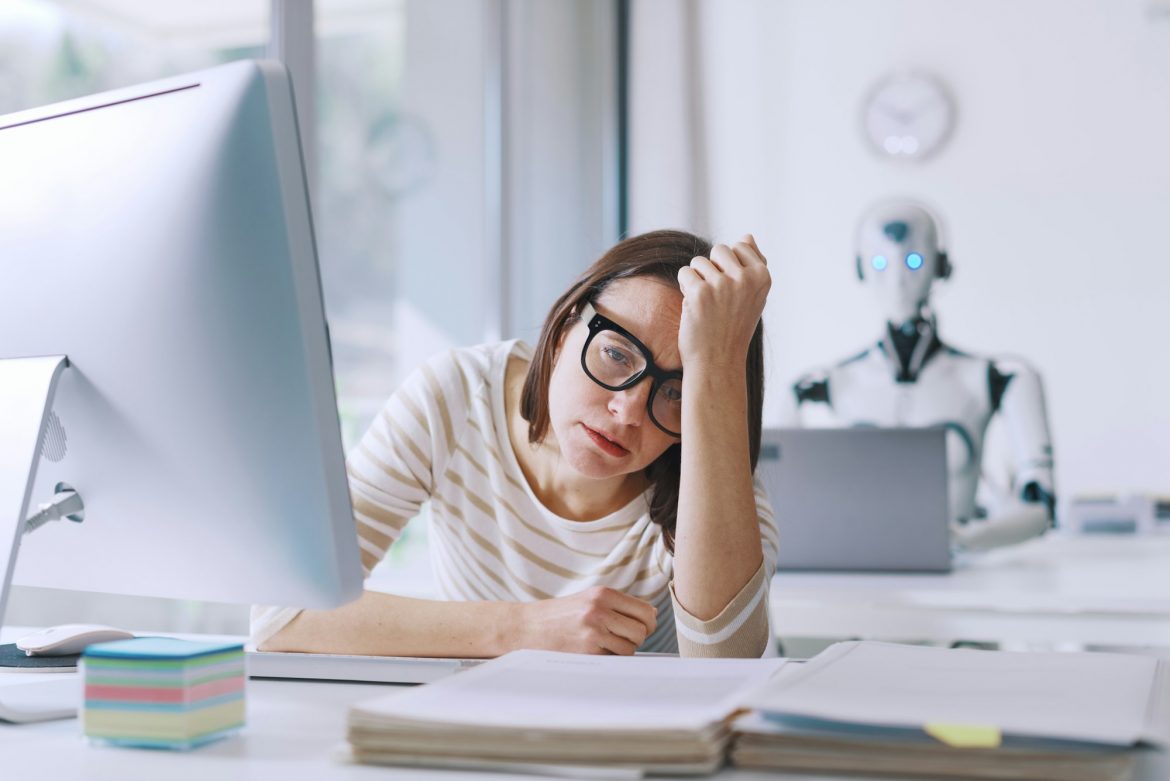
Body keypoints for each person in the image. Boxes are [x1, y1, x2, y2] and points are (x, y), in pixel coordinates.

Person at [253, 230, 779, 657]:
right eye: (616, 355)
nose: (628, 411)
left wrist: (718, 365)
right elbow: (282, 614)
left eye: (678, 392)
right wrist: (522, 628)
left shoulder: (710, 464)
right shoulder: (457, 396)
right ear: (561, 329)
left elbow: (727, 661)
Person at [787, 200, 1055, 551]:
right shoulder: (818, 386)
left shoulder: (998, 378)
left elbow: (1039, 504)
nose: (897, 280)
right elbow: (777, 497)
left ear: (941, 265)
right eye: (880, 263)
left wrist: (966, 540)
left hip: (959, 573)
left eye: (914, 261)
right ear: (861, 268)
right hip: (856, 576)